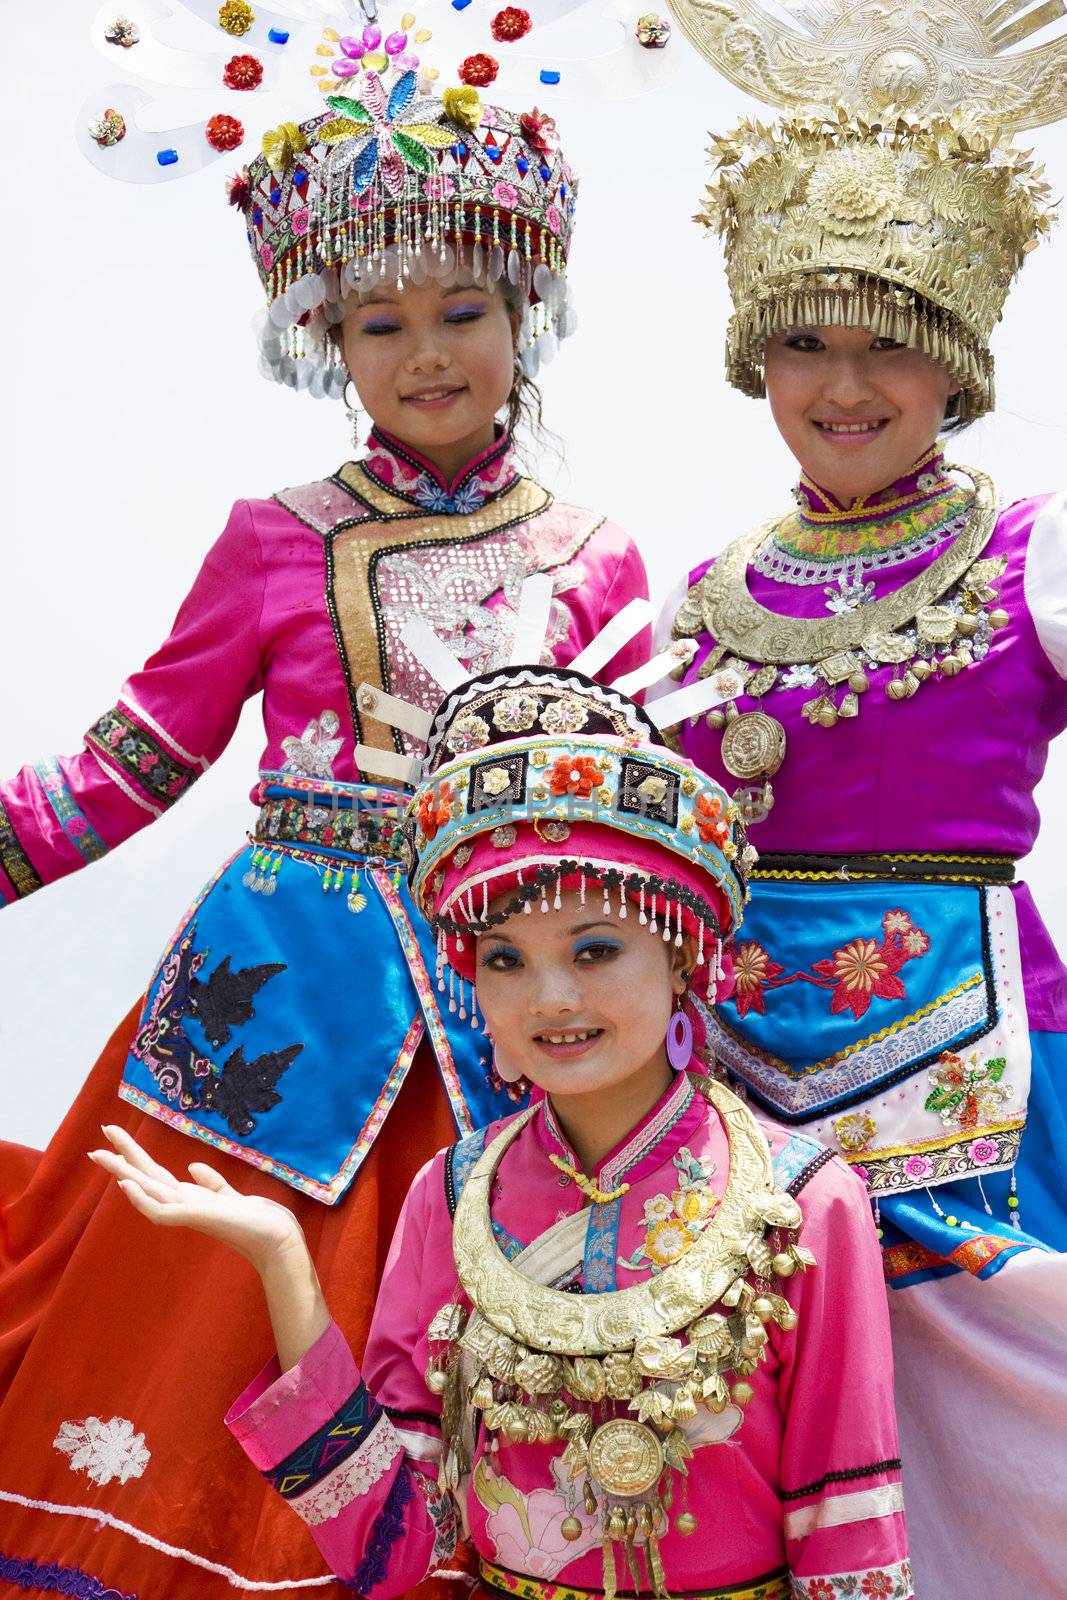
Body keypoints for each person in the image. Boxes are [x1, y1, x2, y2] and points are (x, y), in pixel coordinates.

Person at [0, 38, 650, 1598]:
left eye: (462, 313)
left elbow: (632, 817)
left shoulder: (594, 549)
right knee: (178, 1329)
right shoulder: (272, 541)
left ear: (521, 320)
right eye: (379, 323)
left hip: (516, 1009)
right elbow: (134, 758)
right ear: (327, 346)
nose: (426, 354)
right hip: (276, 1002)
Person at [89, 637, 912, 1600]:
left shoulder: (805, 1202)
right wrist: (284, 1264)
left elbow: (848, 1539)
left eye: (594, 948)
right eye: (504, 959)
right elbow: (394, 1554)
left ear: (684, 951)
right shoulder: (452, 1196)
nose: (548, 997)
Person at [661, 7, 1067, 1594]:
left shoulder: (1031, 551)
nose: (844, 385)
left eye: (887, 338)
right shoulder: (703, 593)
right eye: (807, 343)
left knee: (988, 1430)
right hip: (737, 1089)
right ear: (756, 356)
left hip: (969, 1068)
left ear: (955, 359)